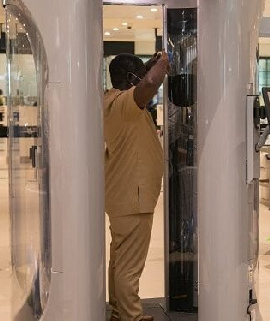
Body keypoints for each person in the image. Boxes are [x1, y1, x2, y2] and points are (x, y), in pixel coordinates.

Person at [104, 51, 169, 321]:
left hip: (120, 194)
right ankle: (131, 316)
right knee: (130, 266)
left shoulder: (109, 99)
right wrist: (163, 62)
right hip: (135, 196)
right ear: (131, 78)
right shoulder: (125, 104)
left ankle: (120, 311)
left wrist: (149, 66)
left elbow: (142, 83)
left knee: (120, 259)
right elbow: (148, 85)